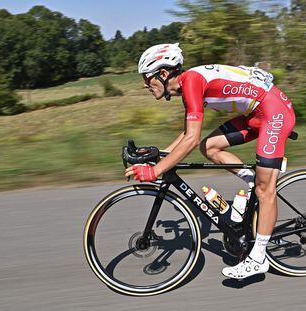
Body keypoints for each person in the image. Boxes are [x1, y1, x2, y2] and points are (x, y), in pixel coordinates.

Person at [125, 43, 296, 279]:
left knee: (265, 190)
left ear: (163, 74)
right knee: (210, 146)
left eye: (147, 79)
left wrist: (155, 172)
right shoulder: (188, 85)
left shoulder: (192, 82)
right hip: (255, 114)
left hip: (274, 112)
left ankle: (258, 258)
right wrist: (161, 156)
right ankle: (253, 181)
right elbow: (188, 134)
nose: (145, 85)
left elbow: (191, 139)